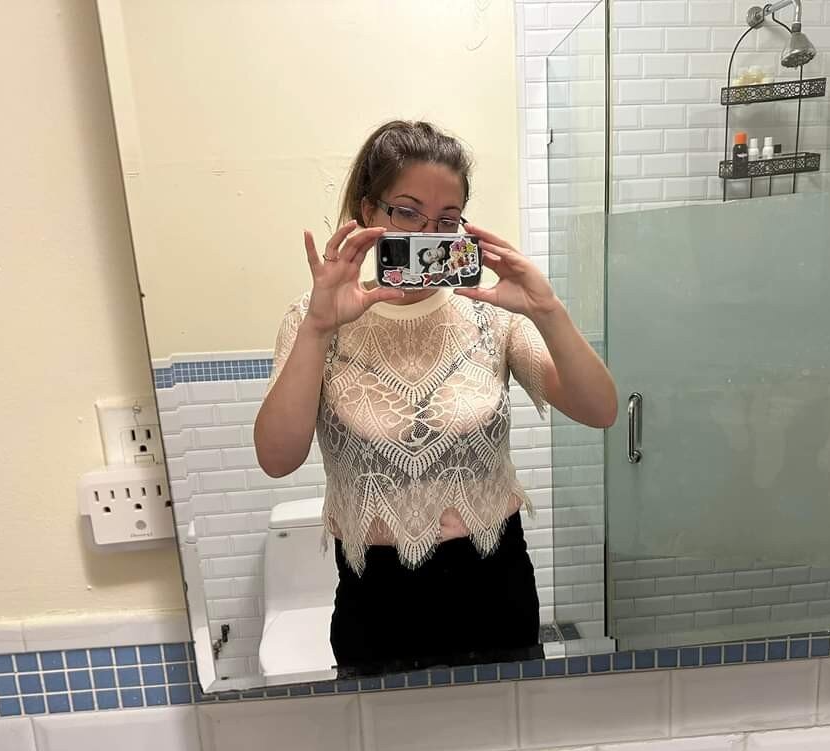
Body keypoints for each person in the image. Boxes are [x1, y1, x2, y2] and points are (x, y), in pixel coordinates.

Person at [254, 120, 617, 678]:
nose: (428, 234)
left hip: (497, 588)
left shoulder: (489, 313)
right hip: (377, 601)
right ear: (367, 211)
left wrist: (547, 309)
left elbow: (599, 410)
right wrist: (318, 329)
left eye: (447, 221)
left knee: (513, 731)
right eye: (407, 213)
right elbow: (277, 459)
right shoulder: (314, 318)